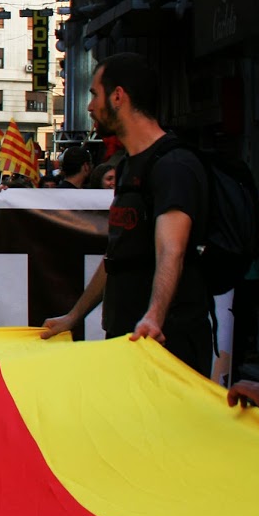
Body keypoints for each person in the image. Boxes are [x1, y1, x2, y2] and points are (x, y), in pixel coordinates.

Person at [42, 53, 212, 375]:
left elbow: (171, 250)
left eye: (95, 94)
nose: (90, 106)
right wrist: (74, 317)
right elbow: (118, 256)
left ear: (118, 96)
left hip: (164, 345)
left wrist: (155, 317)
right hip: (129, 339)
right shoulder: (129, 165)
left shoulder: (174, 166)